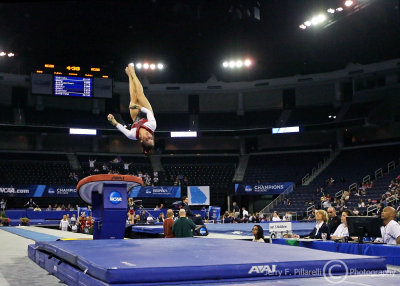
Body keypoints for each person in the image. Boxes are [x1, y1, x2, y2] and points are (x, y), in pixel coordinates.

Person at [107, 64, 156, 156]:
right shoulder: (152, 126)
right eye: (151, 139)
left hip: (136, 118)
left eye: (147, 139)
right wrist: (138, 107)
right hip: (146, 111)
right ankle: (132, 72)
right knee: (140, 94)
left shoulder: (132, 135)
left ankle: (129, 75)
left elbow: (119, 126)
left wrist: (112, 120)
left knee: (133, 95)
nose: (150, 136)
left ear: (141, 140)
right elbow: (148, 112)